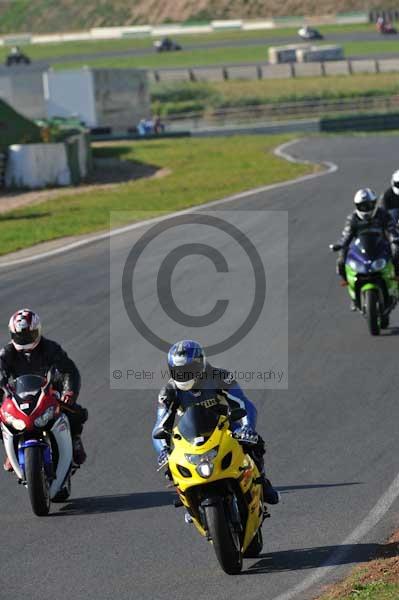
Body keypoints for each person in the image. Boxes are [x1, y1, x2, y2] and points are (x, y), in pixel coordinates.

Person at [152, 339, 279, 507]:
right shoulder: (169, 391)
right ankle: (186, 497)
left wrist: (247, 427)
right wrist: (163, 450)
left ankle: (262, 480)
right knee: (171, 464)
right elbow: (160, 425)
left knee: (253, 443)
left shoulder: (220, 377)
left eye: (189, 370)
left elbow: (243, 403)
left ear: (201, 365)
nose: (185, 376)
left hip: (225, 426)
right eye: (179, 371)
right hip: (192, 433)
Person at [0, 309, 87, 471]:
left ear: (38, 331)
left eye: (28, 335)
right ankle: (9, 448)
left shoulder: (50, 348)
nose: (24, 340)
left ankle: (75, 438)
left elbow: (69, 370)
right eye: (20, 336)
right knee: (3, 417)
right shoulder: (6, 353)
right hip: (20, 394)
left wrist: (69, 392)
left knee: (76, 412)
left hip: (49, 390)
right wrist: (3, 385)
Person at [335, 188, 399, 295]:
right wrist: (340, 244)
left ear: (374, 204)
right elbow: (346, 235)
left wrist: (395, 239)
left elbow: (391, 229)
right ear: (357, 206)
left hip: (381, 244)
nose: (366, 209)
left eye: (368, 205)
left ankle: (397, 275)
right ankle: (347, 281)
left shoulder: (382, 214)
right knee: (341, 258)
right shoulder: (353, 218)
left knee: (397, 250)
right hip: (361, 247)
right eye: (362, 206)